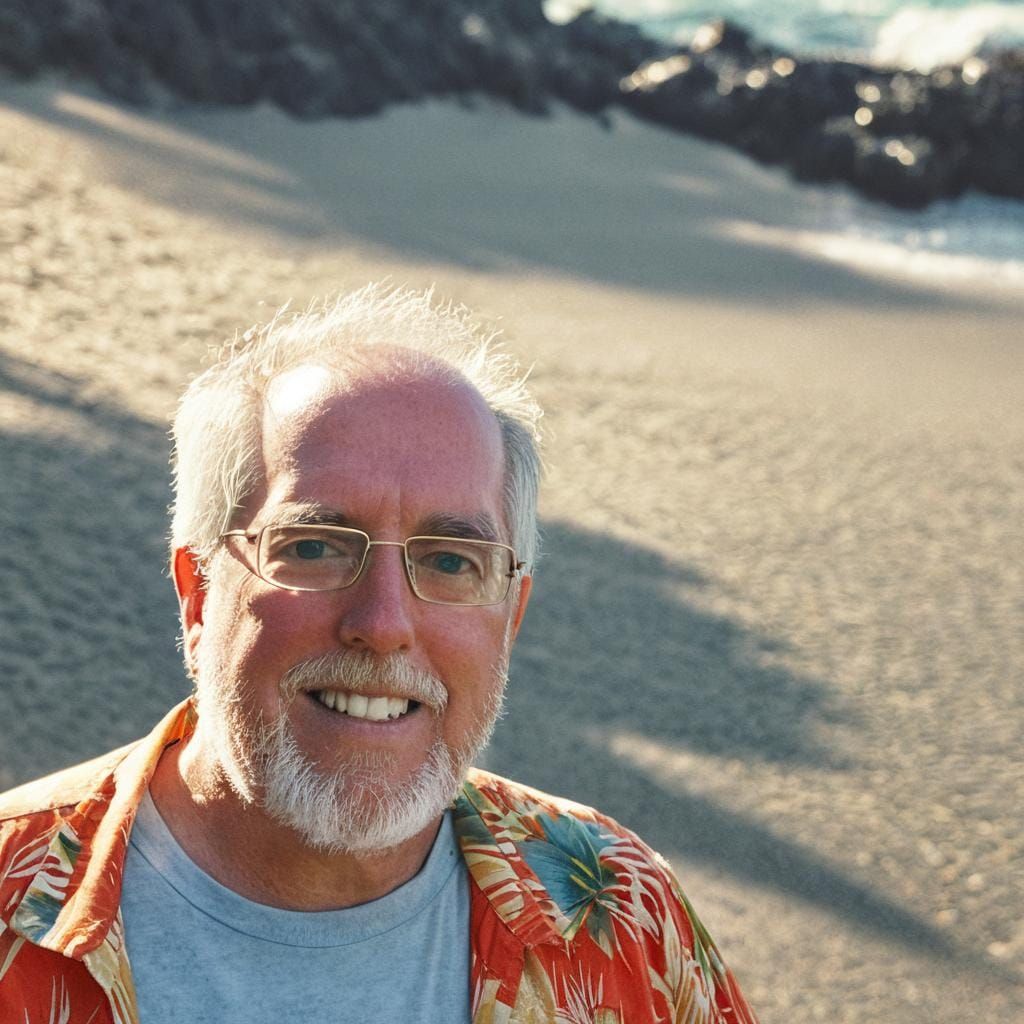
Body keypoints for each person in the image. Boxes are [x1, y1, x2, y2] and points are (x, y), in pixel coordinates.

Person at [0, 286, 758, 1024]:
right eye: (314, 547)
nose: (385, 622)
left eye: (451, 561)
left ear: (511, 616)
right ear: (198, 591)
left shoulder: (619, 910)